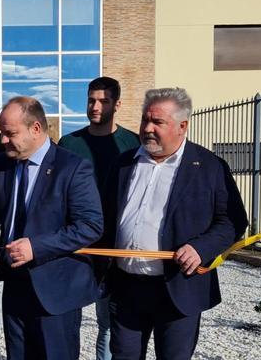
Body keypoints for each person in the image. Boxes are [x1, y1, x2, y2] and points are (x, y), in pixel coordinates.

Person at [101, 88, 248, 360]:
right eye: (145, 120)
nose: (147, 128)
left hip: (178, 288)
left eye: (158, 122)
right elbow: (105, 217)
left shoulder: (209, 166)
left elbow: (232, 221)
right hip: (127, 288)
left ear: (183, 126)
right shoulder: (123, 163)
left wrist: (201, 249)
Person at [0, 96, 104, 360]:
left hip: (56, 291)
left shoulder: (73, 167)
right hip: (14, 285)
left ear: (35, 129)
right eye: (2, 133)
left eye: (10, 133)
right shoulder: (1, 165)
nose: (3, 141)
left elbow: (90, 226)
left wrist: (36, 247)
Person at [57, 76, 139, 360]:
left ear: (117, 104)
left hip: (115, 245)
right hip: (76, 245)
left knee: (108, 321)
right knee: (69, 319)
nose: (95, 106)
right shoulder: (69, 143)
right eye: (91, 100)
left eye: (103, 101)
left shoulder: (132, 143)